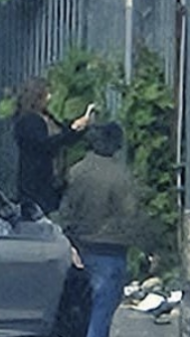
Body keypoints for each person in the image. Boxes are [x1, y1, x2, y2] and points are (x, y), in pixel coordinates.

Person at [57, 122, 148, 337]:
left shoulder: (77, 171)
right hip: (111, 250)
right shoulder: (122, 176)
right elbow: (131, 215)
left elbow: (66, 210)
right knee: (102, 311)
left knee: (79, 310)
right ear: (117, 145)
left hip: (79, 247)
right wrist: (147, 246)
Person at [12, 77, 93, 215]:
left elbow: (60, 134)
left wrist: (76, 128)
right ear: (36, 97)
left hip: (52, 178)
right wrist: (73, 131)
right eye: (46, 94)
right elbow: (45, 145)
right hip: (37, 181)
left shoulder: (45, 116)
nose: (49, 98)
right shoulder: (28, 121)